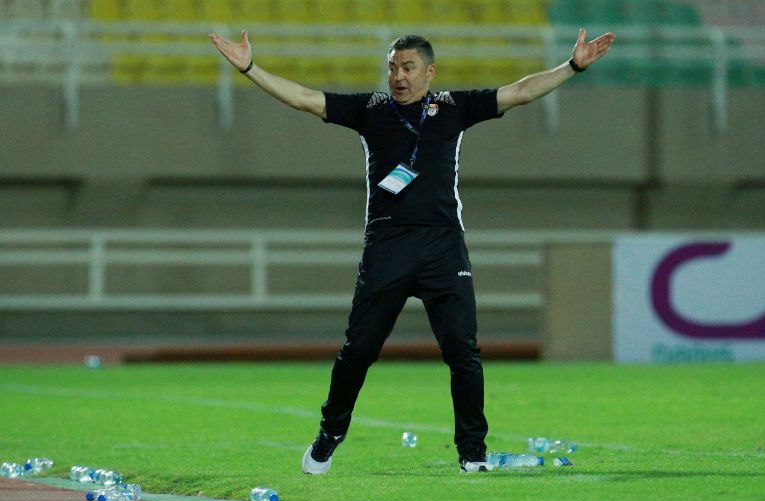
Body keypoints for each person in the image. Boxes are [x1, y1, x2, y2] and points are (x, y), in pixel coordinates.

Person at [210, 27, 615, 474]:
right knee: (359, 350)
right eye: (392, 67)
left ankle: (473, 454)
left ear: (429, 72)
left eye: (408, 67)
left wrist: (572, 66)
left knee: (463, 352)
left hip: (443, 245)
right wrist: (249, 68)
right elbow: (305, 98)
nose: (398, 76)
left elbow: (519, 91)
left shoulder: (454, 107)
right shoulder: (370, 110)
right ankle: (329, 436)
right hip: (388, 244)